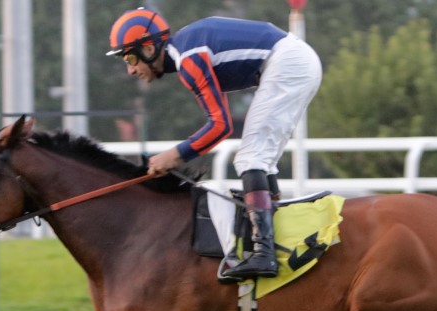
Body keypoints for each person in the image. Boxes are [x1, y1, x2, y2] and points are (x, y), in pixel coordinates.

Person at [106, 8, 322, 279]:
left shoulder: (189, 59)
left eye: (130, 57)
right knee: (259, 159)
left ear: (149, 48)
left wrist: (175, 155)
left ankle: (264, 254)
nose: (130, 70)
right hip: (292, 60)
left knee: (251, 158)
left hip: (289, 62)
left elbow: (221, 126)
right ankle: (272, 236)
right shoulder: (185, 52)